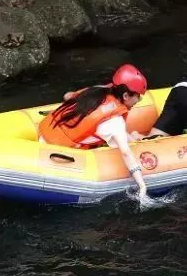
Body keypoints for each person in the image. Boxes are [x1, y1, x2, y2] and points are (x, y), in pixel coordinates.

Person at [38, 64, 151, 199]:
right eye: (138, 96)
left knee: (125, 137)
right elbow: (126, 153)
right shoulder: (115, 121)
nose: (138, 100)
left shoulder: (97, 91)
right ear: (126, 95)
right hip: (54, 155)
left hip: (43, 135)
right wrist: (142, 184)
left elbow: (67, 96)